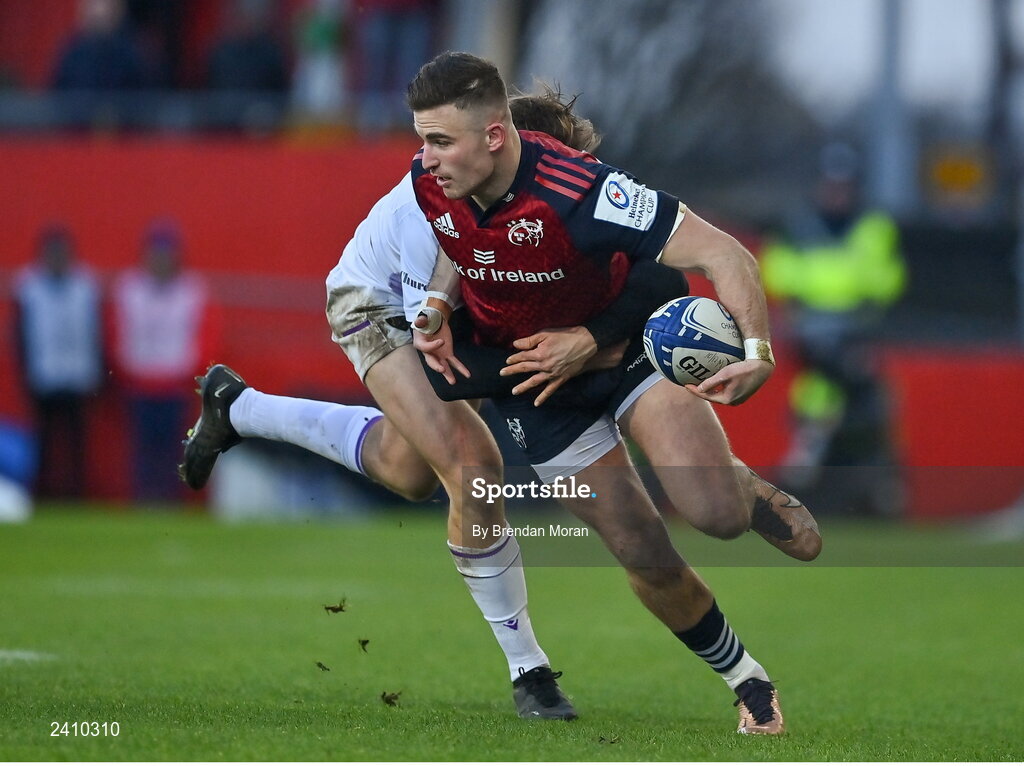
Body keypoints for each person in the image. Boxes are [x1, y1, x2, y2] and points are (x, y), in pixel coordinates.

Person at [177, 91, 656, 721]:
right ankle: (529, 672)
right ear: (501, 148)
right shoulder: (430, 216)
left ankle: (238, 409)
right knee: (472, 465)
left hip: (457, 319)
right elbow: (437, 334)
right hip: (380, 308)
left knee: (406, 469)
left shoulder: (528, 202)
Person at [407, 51, 823, 735]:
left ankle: (737, 486)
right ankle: (748, 680)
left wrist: (758, 352)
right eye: (421, 139)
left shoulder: (581, 188)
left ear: (495, 136)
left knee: (714, 514)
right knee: (641, 548)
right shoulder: (433, 180)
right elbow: (458, 237)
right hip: (534, 390)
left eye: (440, 141)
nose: (425, 159)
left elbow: (727, 257)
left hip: (625, 357)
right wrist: (435, 304)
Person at [760, 142, 906, 514]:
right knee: (819, 390)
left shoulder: (874, 227)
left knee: (861, 396)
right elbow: (778, 273)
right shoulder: (798, 226)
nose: (837, 194)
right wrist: (794, 316)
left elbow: (886, 280)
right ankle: (807, 462)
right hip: (809, 329)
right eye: (831, 185)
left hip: (855, 330)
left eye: (844, 186)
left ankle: (828, 467)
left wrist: (866, 326)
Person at [113, 220, 215, 502]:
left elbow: (202, 336)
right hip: (139, 384)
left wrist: (191, 373)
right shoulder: (130, 288)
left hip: (176, 385)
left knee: (175, 448)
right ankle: (143, 499)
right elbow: (119, 334)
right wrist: (129, 371)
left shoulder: (190, 290)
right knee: (143, 449)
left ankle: (171, 501)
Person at [13, 225, 103, 500]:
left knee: (77, 443)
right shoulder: (29, 286)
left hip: (77, 374)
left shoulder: (85, 285)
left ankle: (76, 494)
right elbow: (20, 334)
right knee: (43, 442)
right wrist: (26, 372)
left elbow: (95, 331)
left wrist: (97, 369)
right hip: (44, 373)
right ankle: (40, 493)